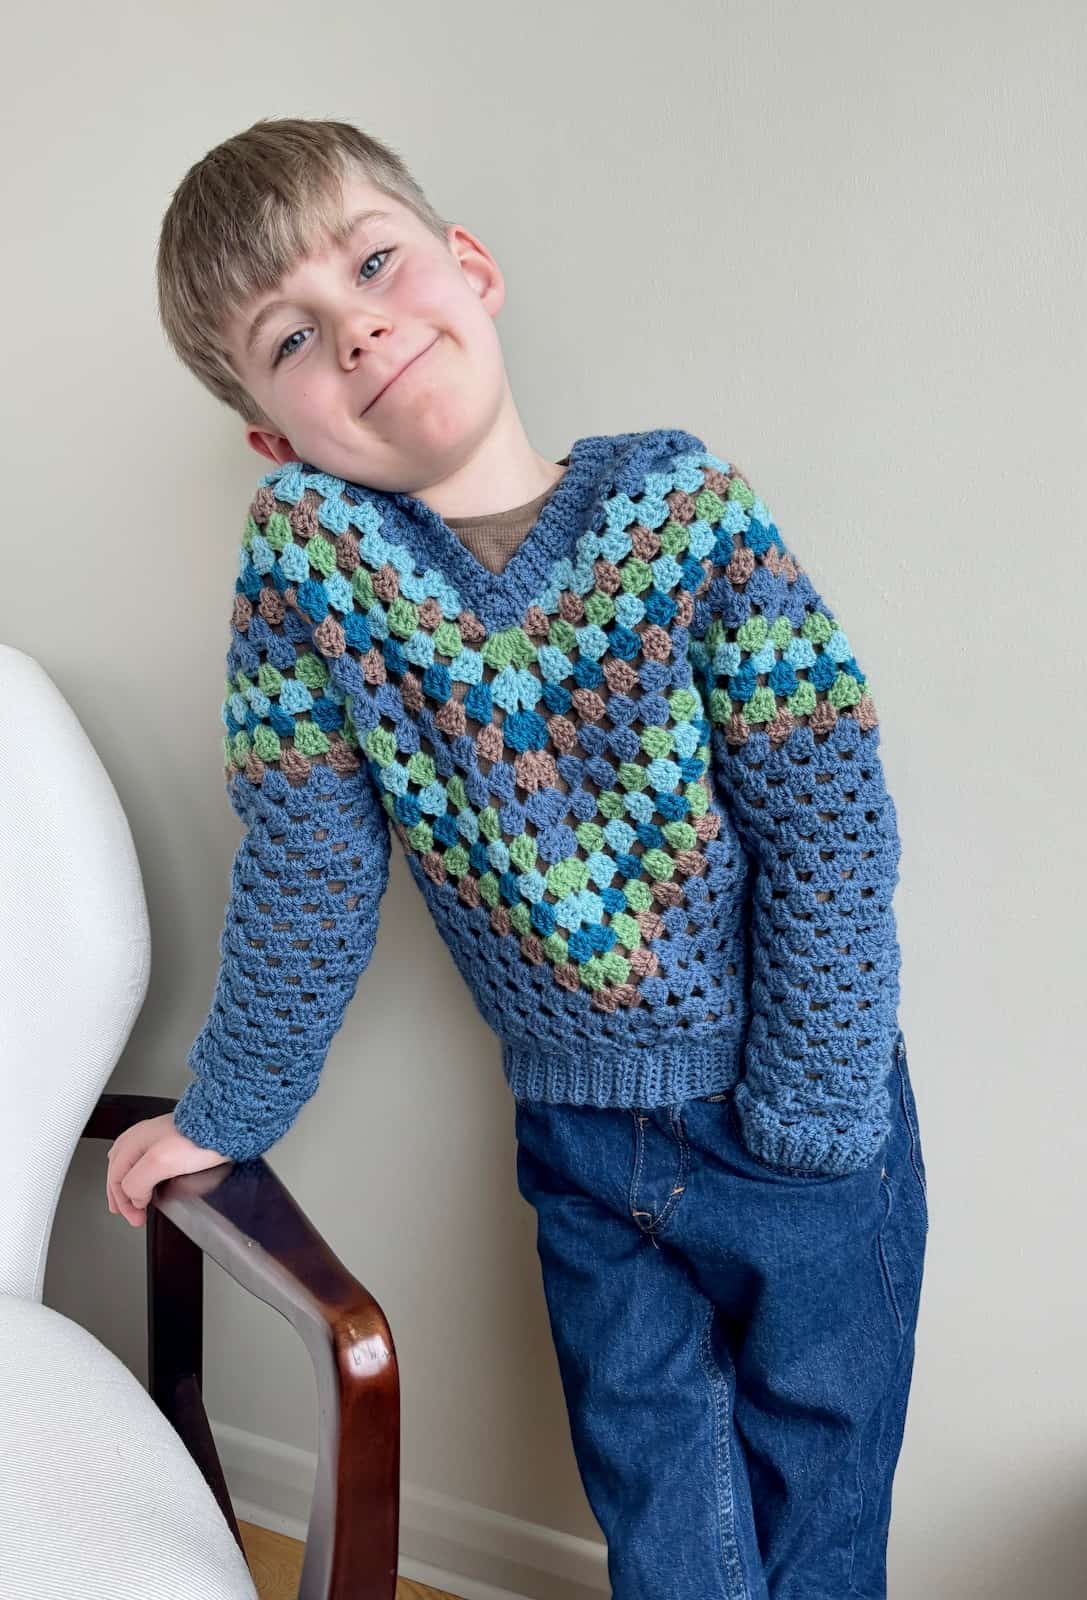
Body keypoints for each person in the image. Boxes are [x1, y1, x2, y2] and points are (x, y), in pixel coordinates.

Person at [107, 115, 929, 1598]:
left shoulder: (677, 508)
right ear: (270, 433)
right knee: (667, 1531)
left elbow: (826, 804)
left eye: (374, 264)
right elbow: (305, 872)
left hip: (804, 1104)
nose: (357, 329)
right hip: (582, 1148)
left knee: (820, 1520)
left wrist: (813, 1107)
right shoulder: (320, 581)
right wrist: (225, 1110)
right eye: (293, 338)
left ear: (469, 269)